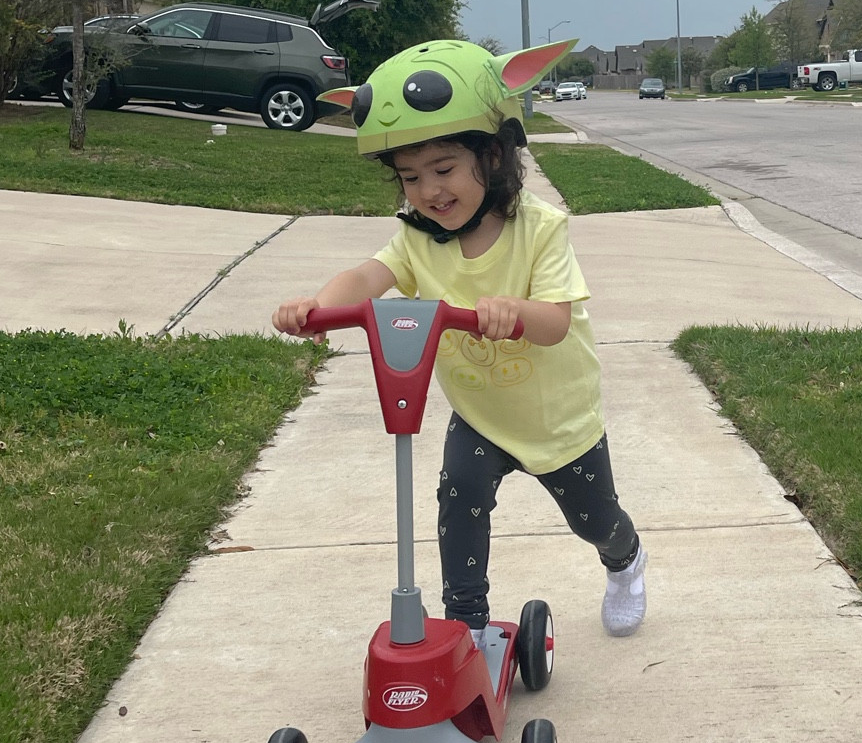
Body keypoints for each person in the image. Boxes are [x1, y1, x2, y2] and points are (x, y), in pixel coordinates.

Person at [272, 37, 647, 643]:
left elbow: (554, 323)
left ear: (494, 156)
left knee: (594, 520)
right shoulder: (419, 238)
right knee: (459, 502)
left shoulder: (540, 228)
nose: (428, 191)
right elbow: (367, 277)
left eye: (444, 170)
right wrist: (320, 305)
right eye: (411, 177)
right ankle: (466, 627)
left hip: (558, 418)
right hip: (480, 415)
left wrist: (515, 309)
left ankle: (624, 559)